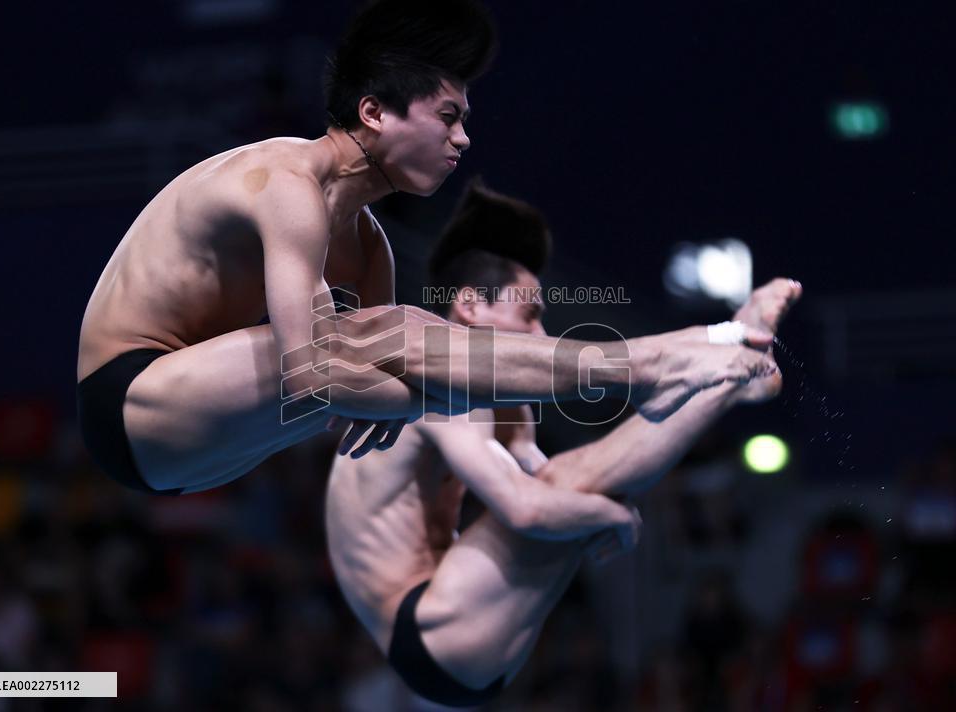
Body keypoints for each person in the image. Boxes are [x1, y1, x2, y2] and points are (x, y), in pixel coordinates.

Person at [77, 0, 775, 496]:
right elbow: (312, 378)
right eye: (447, 117)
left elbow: (375, 395)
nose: (463, 140)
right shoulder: (285, 183)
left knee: (428, 359)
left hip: (198, 457)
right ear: (374, 113)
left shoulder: (369, 248)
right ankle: (662, 359)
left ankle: (690, 376)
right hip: (130, 401)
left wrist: (439, 397)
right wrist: (432, 395)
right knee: (413, 343)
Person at [325, 181, 802, 706]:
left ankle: (729, 365)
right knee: (576, 495)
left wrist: (605, 514)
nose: (539, 333)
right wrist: (612, 519)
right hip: (428, 629)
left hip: (459, 622)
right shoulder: (443, 382)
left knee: (580, 487)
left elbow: (553, 483)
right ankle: (730, 354)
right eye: (529, 314)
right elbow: (526, 510)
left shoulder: (501, 396)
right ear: (469, 307)